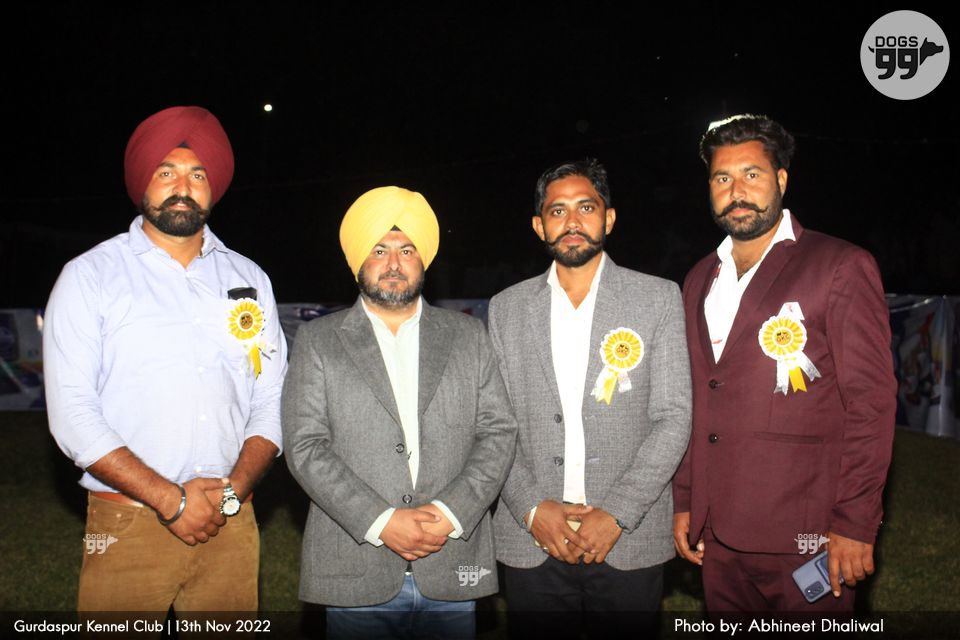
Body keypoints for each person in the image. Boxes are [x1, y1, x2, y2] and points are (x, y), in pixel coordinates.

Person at [44, 106, 286, 615]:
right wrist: (171, 501)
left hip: (231, 521)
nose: (183, 187)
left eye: (198, 175)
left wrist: (234, 492)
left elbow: (270, 397)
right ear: (143, 184)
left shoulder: (250, 279)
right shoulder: (90, 276)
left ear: (213, 188)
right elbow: (72, 414)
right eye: (166, 172)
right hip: (126, 522)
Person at [672, 114, 897, 614]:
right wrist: (685, 500)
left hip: (808, 533)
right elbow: (694, 399)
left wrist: (856, 522)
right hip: (717, 534)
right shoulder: (698, 279)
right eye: (722, 178)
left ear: (781, 179)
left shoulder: (839, 265)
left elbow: (871, 403)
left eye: (751, 174)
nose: (736, 191)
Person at [281, 186, 517, 639]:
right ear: (358, 261)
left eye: (407, 250)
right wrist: (381, 521)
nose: (393, 263)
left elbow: (498, 432)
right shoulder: (319, 340)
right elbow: (305, 446)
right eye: (379, 250)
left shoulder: (468, 336)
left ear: (423, 260)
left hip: (452, 561)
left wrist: (450, 513)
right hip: (355, 569)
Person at [488, 159, 692, 637]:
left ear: (609, 218)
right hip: (533, 539)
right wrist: (531, 508)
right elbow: (493, 425)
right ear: (539, 225)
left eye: (586, 207)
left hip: (627, 538)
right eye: (557, 211)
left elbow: (673, 416)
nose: (573, 221)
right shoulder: (506, 309)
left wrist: (617, 512)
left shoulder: (658, 298)